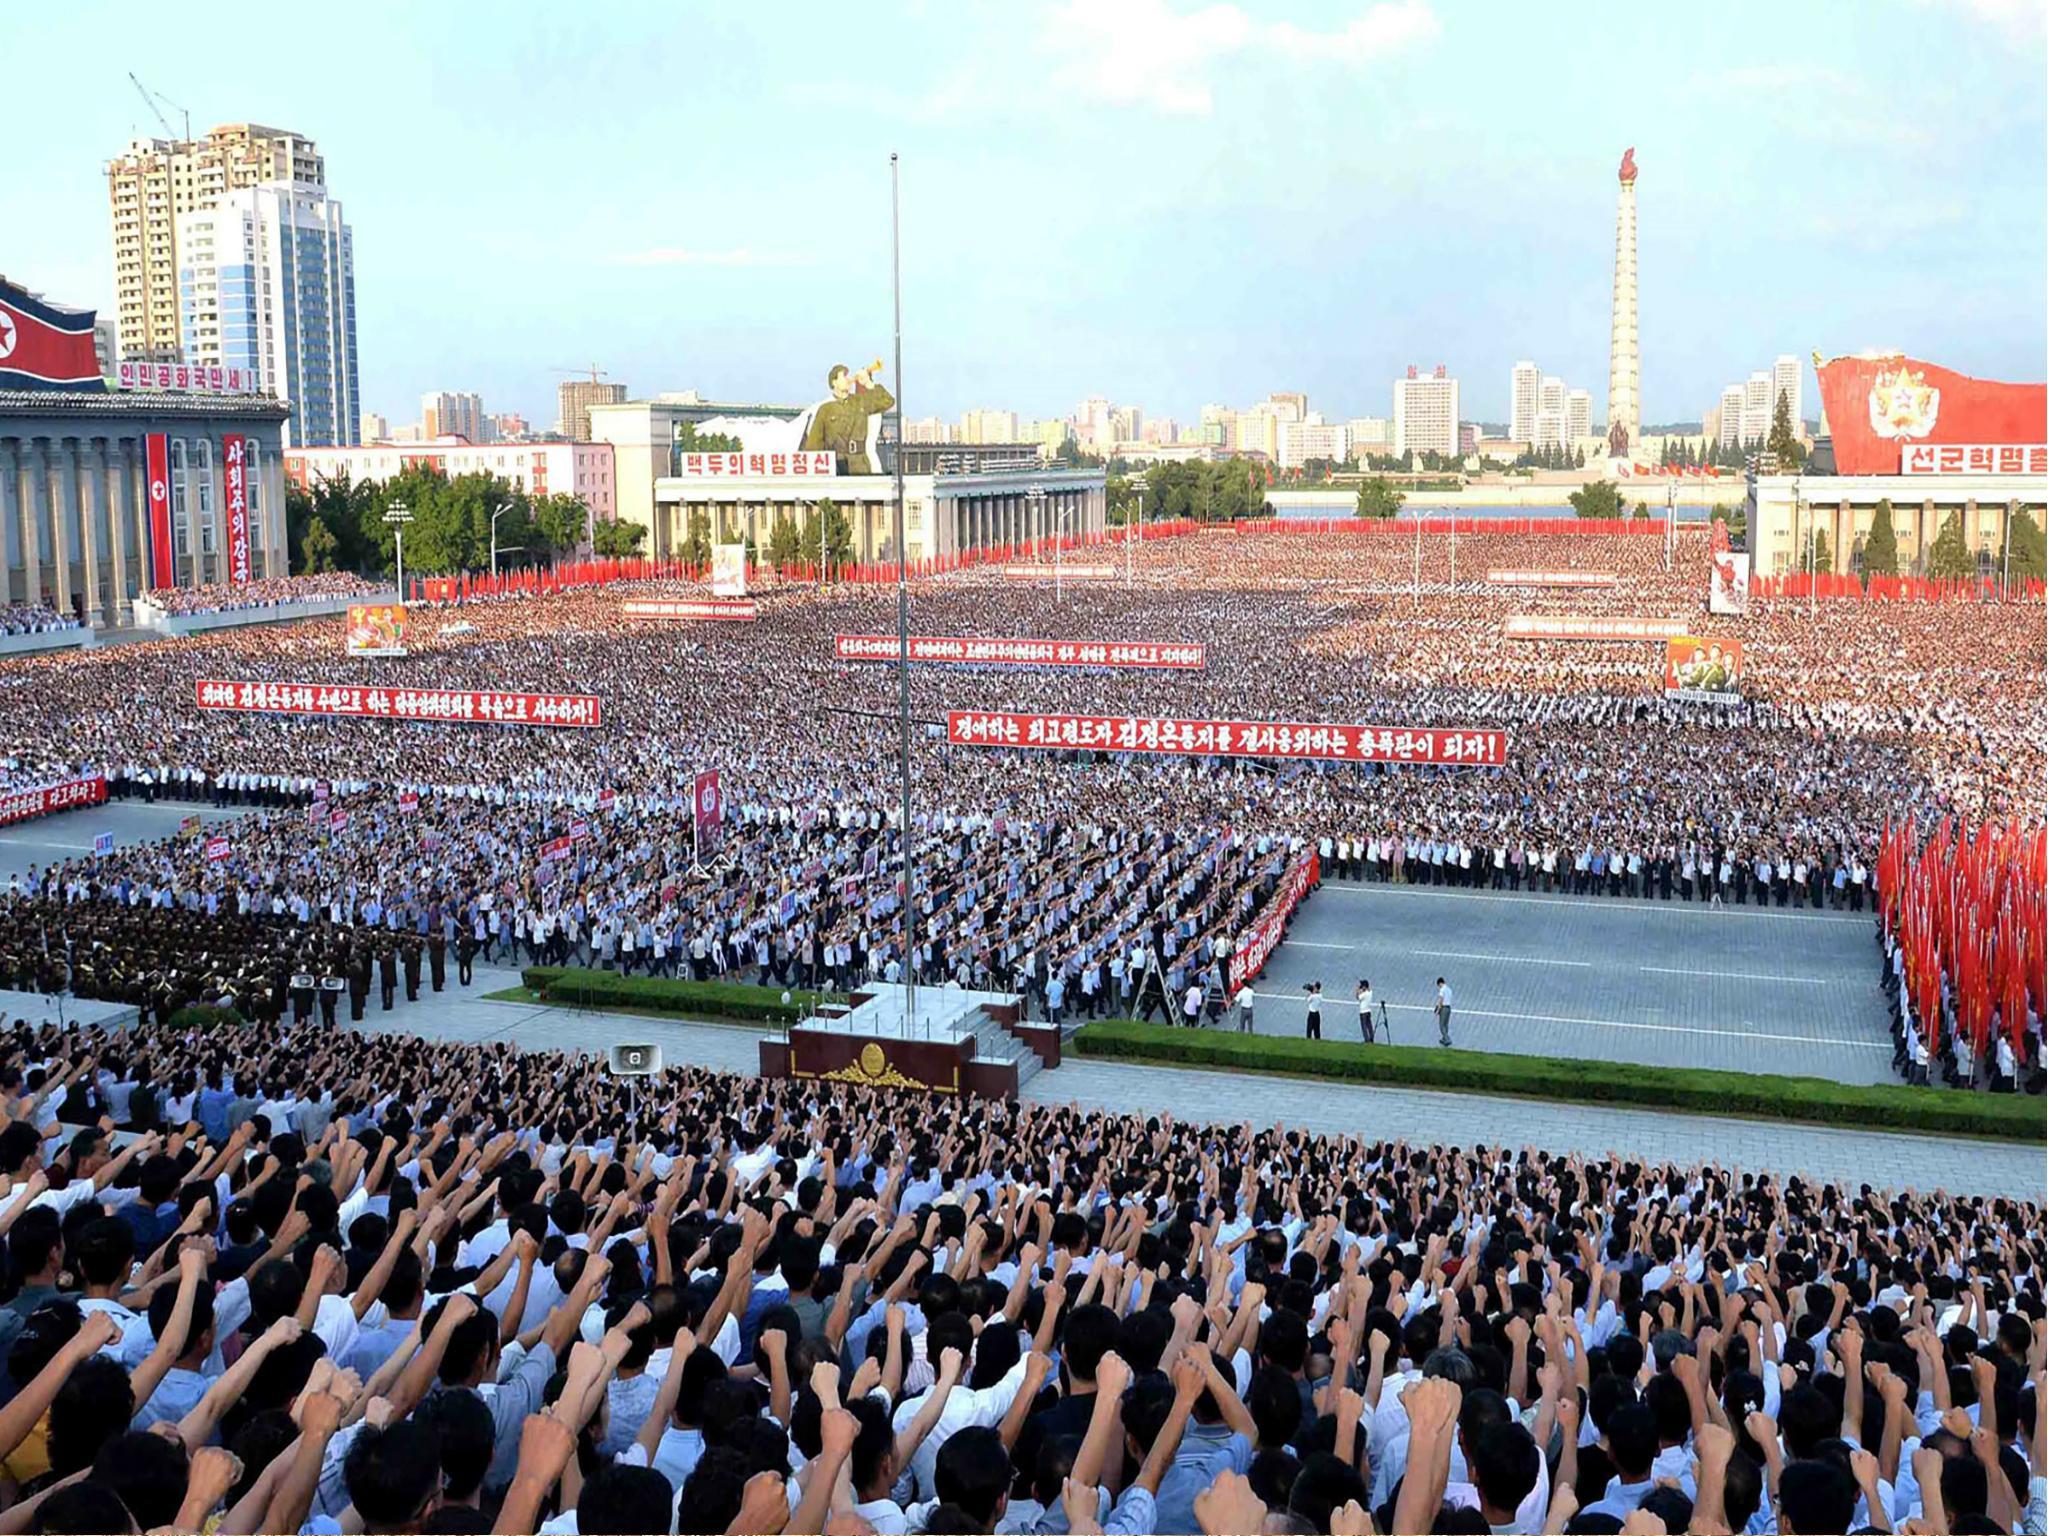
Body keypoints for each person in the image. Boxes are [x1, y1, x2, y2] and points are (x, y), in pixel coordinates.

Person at [1435, 975, 1454, 1046]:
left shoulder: (1442, 990)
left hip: (1444, 1008)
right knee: (1446, 1024)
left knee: (1441, 1025)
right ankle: (1444, 1038)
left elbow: (1441, 1000)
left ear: (1440, 983)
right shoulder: (1449, 989)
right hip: (1449, 1008)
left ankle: (1447, 1039)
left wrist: (1438, 1010)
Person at [1356, 978, 1376, 1044]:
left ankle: (1366, 1040)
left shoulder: (1364, 994)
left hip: (1363, 1012)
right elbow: (1369, 990)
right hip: (1368, 1011)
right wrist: (1363, 989)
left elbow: (1358, 997)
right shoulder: (1370, 992)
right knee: (1369, 1026)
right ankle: (1371, 1038)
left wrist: (1358, 990)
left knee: (1364, 1027)